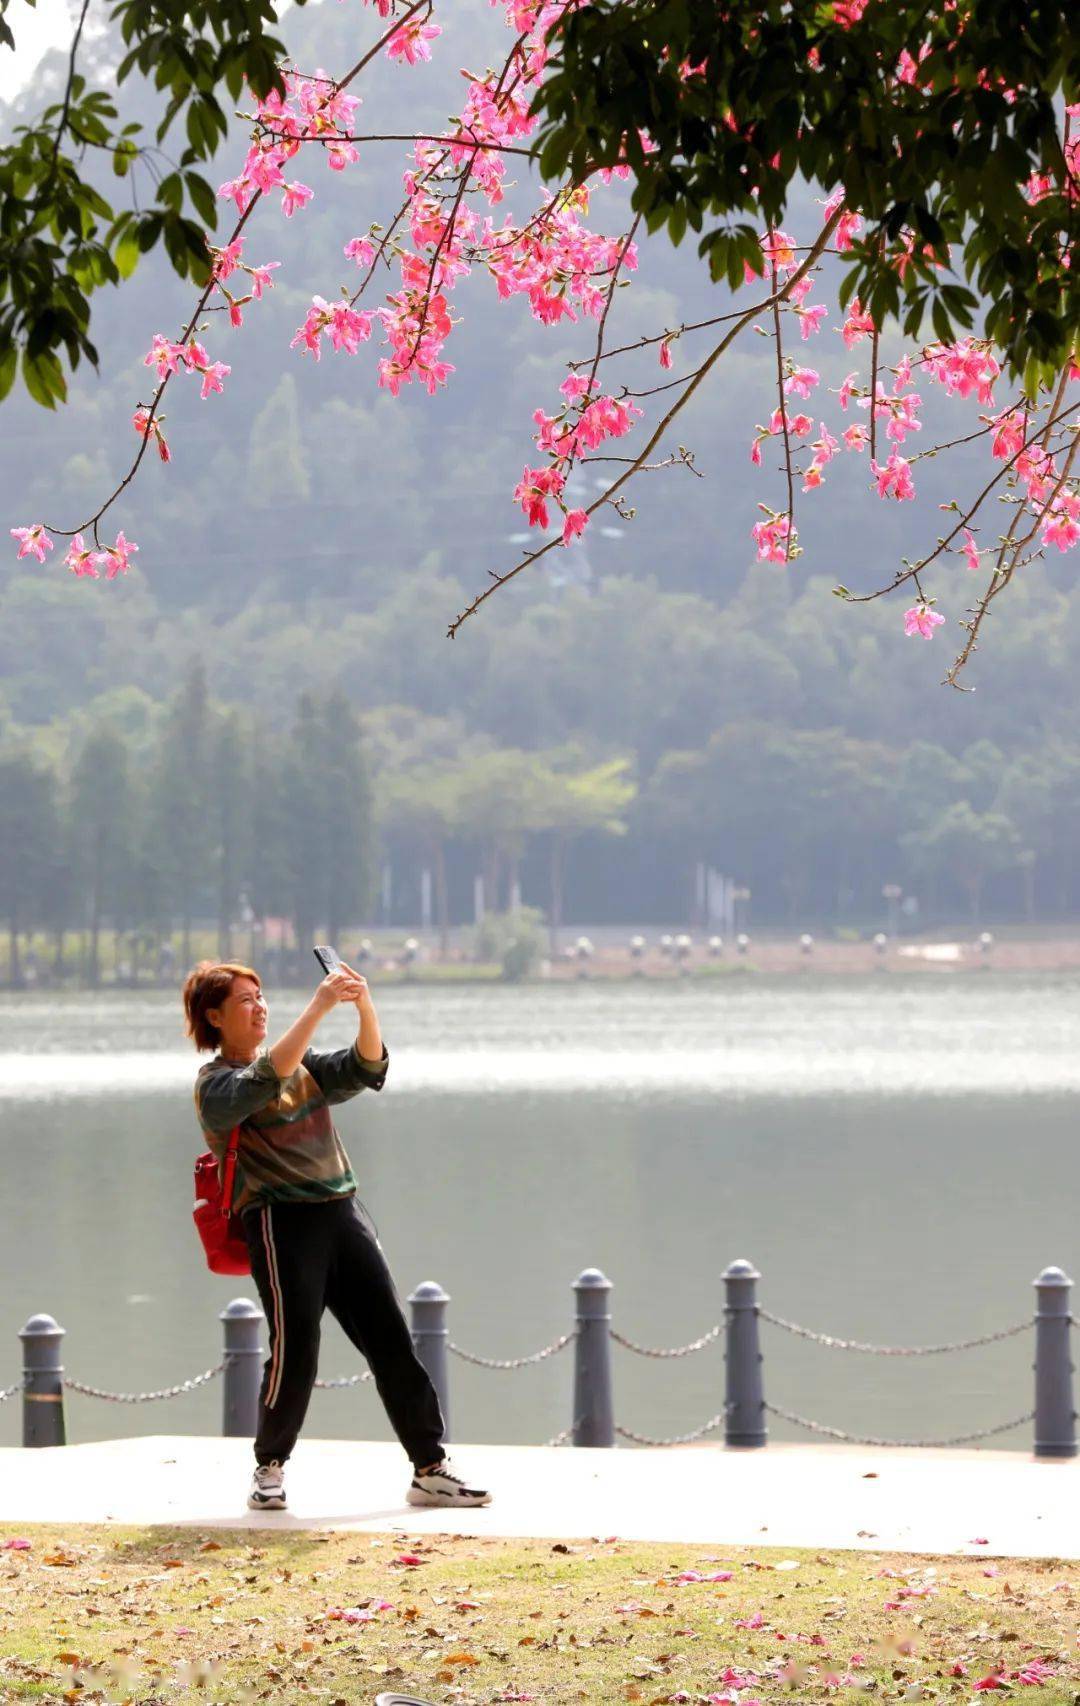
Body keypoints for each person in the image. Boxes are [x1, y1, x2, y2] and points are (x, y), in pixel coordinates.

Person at [183, 958, 490, 1514]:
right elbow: (264, 1079)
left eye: (260, 996)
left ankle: (430, 1468)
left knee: (391, 1340)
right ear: (214, 1017)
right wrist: (321, 1005)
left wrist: (363, 1004)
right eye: (245, 1000)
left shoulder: (301, 1069)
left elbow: (368, 1066)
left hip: (341, 1214)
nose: (259, 1007)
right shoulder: (216, 1086)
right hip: (280, 1222)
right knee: (296, 1349)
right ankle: (269, 1468)